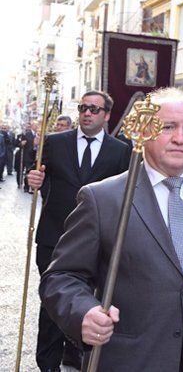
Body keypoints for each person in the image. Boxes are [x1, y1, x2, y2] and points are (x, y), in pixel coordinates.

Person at [39, 88, 183, 372]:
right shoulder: (103, 198)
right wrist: (83, 311)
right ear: (145, 131)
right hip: (131, 359)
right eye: (168, 127)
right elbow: (61, 276)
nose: (180, 138)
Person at [26, 91, 130, 372]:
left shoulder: (121, 151)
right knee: (53, 300)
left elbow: (124, 194)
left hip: (96, 240)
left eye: (95, 109)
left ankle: (74, 350)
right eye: (84, 107)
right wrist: (33, 179)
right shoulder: (55, 142)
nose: (87, 113)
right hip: (53, 236)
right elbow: (37, 176)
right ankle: (47, 364)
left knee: (87, 298)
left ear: (107, 115)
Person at [16, 122, 37, 190]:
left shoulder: (39, 134)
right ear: (32, 126)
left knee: (31, 172)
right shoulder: (26, 134)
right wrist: (21, 144)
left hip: (34, 156)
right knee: (25, 171)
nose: (37, 127)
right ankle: (23, 185)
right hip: (26, 156)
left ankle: (28, 186)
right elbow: (18, 144)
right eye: (35, 125)